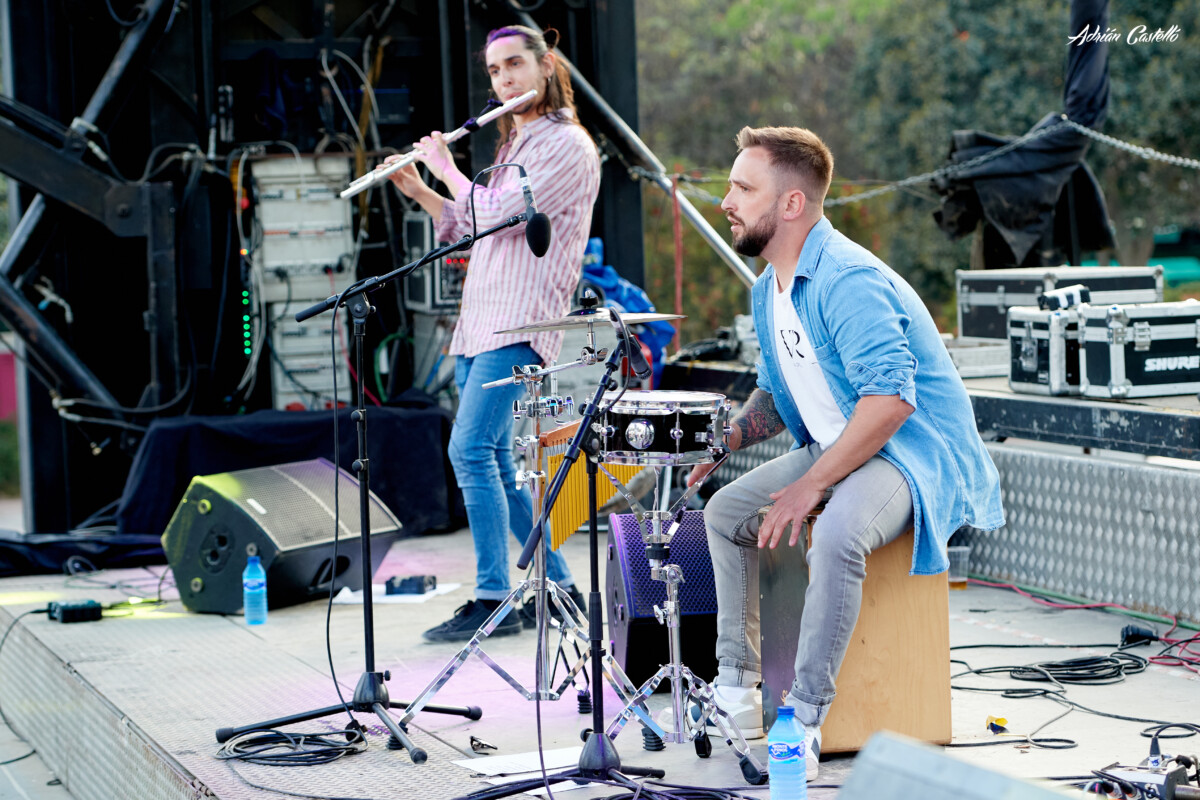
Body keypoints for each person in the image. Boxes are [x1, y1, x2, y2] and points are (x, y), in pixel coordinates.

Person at [686, 126, 1004, 779]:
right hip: (839, 445)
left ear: (793, 205)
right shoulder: (767, 287)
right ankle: (736, 692)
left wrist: (811, 487)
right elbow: (776, 396)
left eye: (744, 188)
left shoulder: (847, 278)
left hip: (909, 455)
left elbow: (890, 402)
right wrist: (726, 441)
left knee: (834, 534)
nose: (727, 200)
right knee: (723, 514)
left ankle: (802, 719)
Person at [383, 25, 601, 642]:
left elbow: (502, 214)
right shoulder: (516, 144)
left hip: (521, 318)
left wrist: (449, 168)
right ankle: (558, 586)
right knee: (498, 465)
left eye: (514, 66)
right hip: (481, 318)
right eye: (495, 72)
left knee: (469, 450)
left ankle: (492, 595)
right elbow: (466, 224)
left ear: (545, 65)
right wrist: (423, 187)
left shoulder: (565, 144)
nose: (504, 80)